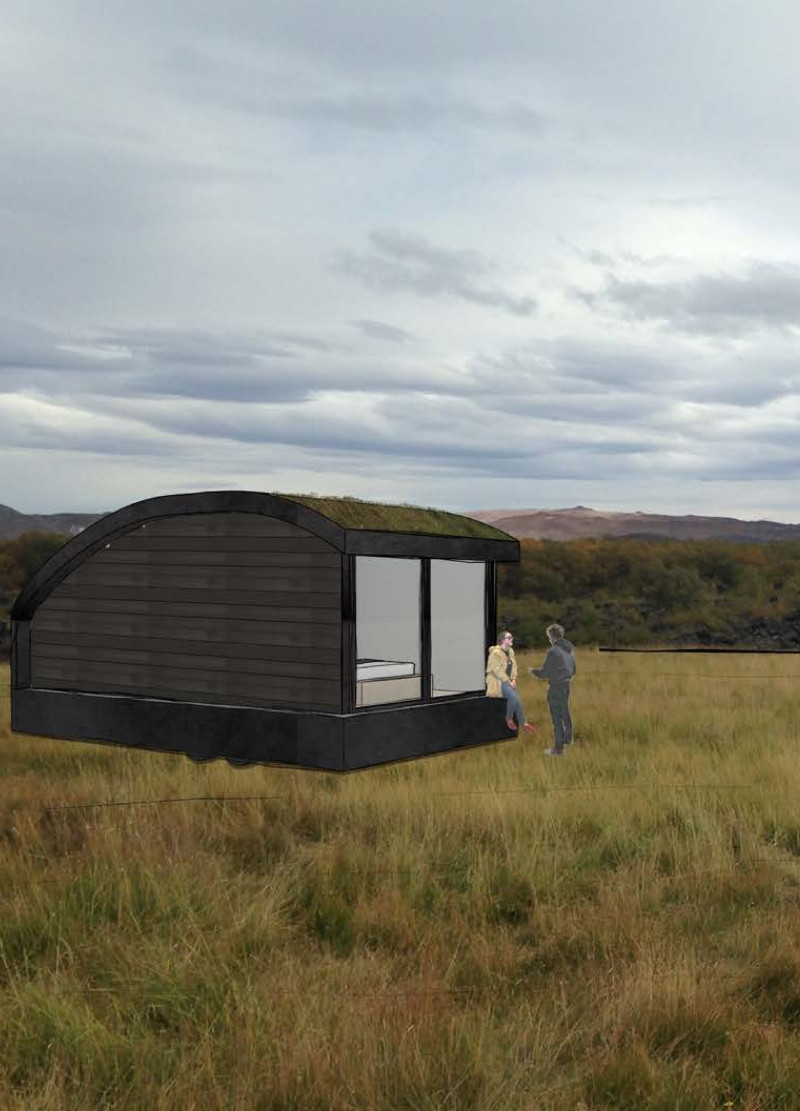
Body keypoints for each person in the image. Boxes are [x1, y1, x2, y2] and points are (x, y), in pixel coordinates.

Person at [529, 624, 576, 757]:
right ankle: (568, 739)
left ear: (552, 636)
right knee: (565, 711)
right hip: (567, 686)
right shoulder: (569, 652)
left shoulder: (553, 651)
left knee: (556, 717)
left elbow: (545, 672)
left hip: (556, 687)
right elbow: (573, 671)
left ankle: (558, 750)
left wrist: (533, 671)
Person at [485, 630, 535, 733]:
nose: (511, 639)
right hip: (498, 682)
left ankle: (524, 723)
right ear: (502, 640)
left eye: (511, 637)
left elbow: (514, 667)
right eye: (509, 638)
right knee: (512, 698)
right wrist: (508, 681)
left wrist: (514, 679)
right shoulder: (495, 653)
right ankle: (508, 719)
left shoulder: (510, 651)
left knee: (518, 701)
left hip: (509, 682)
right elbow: (497, 670)